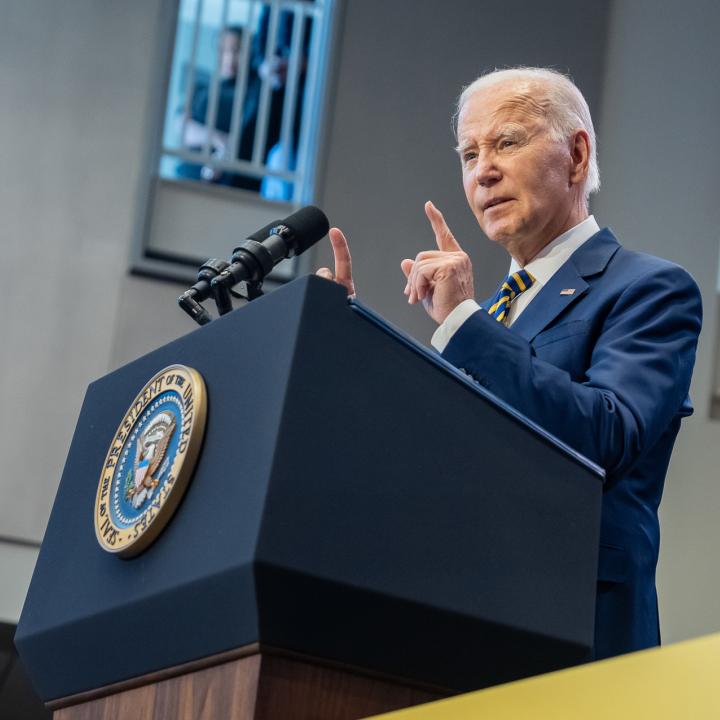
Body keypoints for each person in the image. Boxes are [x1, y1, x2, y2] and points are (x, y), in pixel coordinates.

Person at [317, 67, 702, 660]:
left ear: (576, 155)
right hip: (453, 623)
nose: (482, 170)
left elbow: (607, 433)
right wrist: (345, 347)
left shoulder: (650, 289)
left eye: (507, 142)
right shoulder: (489, 317)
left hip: (572, 632)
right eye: (469, 153)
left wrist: (464, 324)